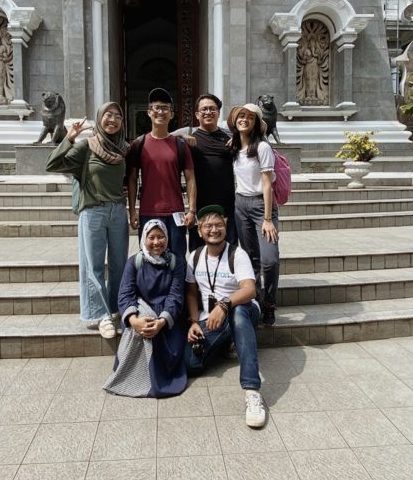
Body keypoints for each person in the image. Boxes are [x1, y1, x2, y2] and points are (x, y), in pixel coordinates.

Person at [46, 101, 129, 340]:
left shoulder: (124, 149)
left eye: (117, 116)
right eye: (108, 115)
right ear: (100, 118)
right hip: (93, 210)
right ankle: (100, 315)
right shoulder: (87, 146)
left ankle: (114, 309)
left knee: (119, 264)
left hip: (117, 211)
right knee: (92, 265)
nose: (112, 119)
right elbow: (53, 163)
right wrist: (70, 137)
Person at [185, 206, 266, 428]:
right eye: (208, 226)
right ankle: (228, 343)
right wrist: (193, 322)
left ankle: (252, 391)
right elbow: (191, 293)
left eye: (218, 225)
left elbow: (250, 290)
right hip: (210, 319)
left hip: (242, 310)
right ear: (199, 231)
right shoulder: (195, 257)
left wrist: (224, 304)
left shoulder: (236, 254)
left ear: (226, 226)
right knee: (190, 365)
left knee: (238, 314)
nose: (214, 230)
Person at [104, 219, 187, 398]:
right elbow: (126, 294)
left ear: (167, 237)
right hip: (141, 313)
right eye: (151, 237)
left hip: (167, 319)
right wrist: (134, 321)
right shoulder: (134, 262)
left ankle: (156, 379)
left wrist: (162, 322)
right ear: (144, 238)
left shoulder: (176, 262)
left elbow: (176, 296)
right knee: (143, 324)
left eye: (161, 237)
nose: (156, 242)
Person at [126, 87, 197, 259]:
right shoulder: (139, 144)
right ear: (149, 113)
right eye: (156, 108)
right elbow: (133, 179)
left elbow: (190, 179)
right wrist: (133, 211)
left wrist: (192, 210)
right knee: (150, 257)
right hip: (147, 211)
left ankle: (177, 287)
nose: (160, 112)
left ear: (171, 115)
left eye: (165, 108)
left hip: (176, 213)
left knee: (178, 257)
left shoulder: (180, 145)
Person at [227, 102, 279, 327]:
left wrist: (267, 219)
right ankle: (256, 302)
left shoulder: (263, 148)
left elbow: (268, 184)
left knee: (270, 260)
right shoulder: (234, 146)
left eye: (250, 116)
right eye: (241, 115)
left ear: (257, 122)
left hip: (261, 206)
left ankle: (269, 301)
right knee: (251, 259)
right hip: (240, 206)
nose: (244, 119)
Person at [177, 93, 236, 251]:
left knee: (228, 249)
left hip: (227, 206)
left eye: (212, 109)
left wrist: (241, 138)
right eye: (204, 109)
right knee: (198, 250)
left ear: (218, 112)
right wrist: (182, 136)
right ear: (197, 114)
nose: (208, 112)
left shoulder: (229, 137)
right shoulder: (189, 134)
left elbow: (257, 141)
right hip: (199, 205)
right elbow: (163, 137)